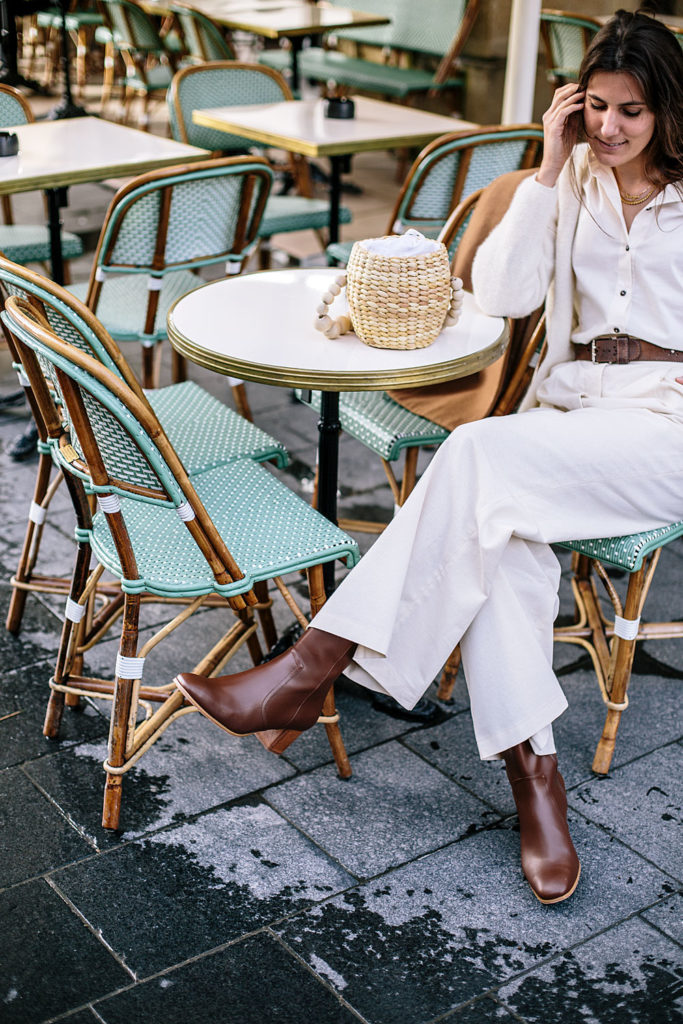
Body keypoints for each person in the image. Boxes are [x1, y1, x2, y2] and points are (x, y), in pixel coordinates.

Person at [174, 10, 683, 906]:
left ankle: (311, 666)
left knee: (477, 461)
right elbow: (501, 293)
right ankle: (537, 786)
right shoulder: (566, 183)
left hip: (666, 425)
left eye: (630, 111)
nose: (608, 127)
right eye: (594, 106)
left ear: (667, 111)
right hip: (569, 416)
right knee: (503, 547)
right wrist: (543, 166)